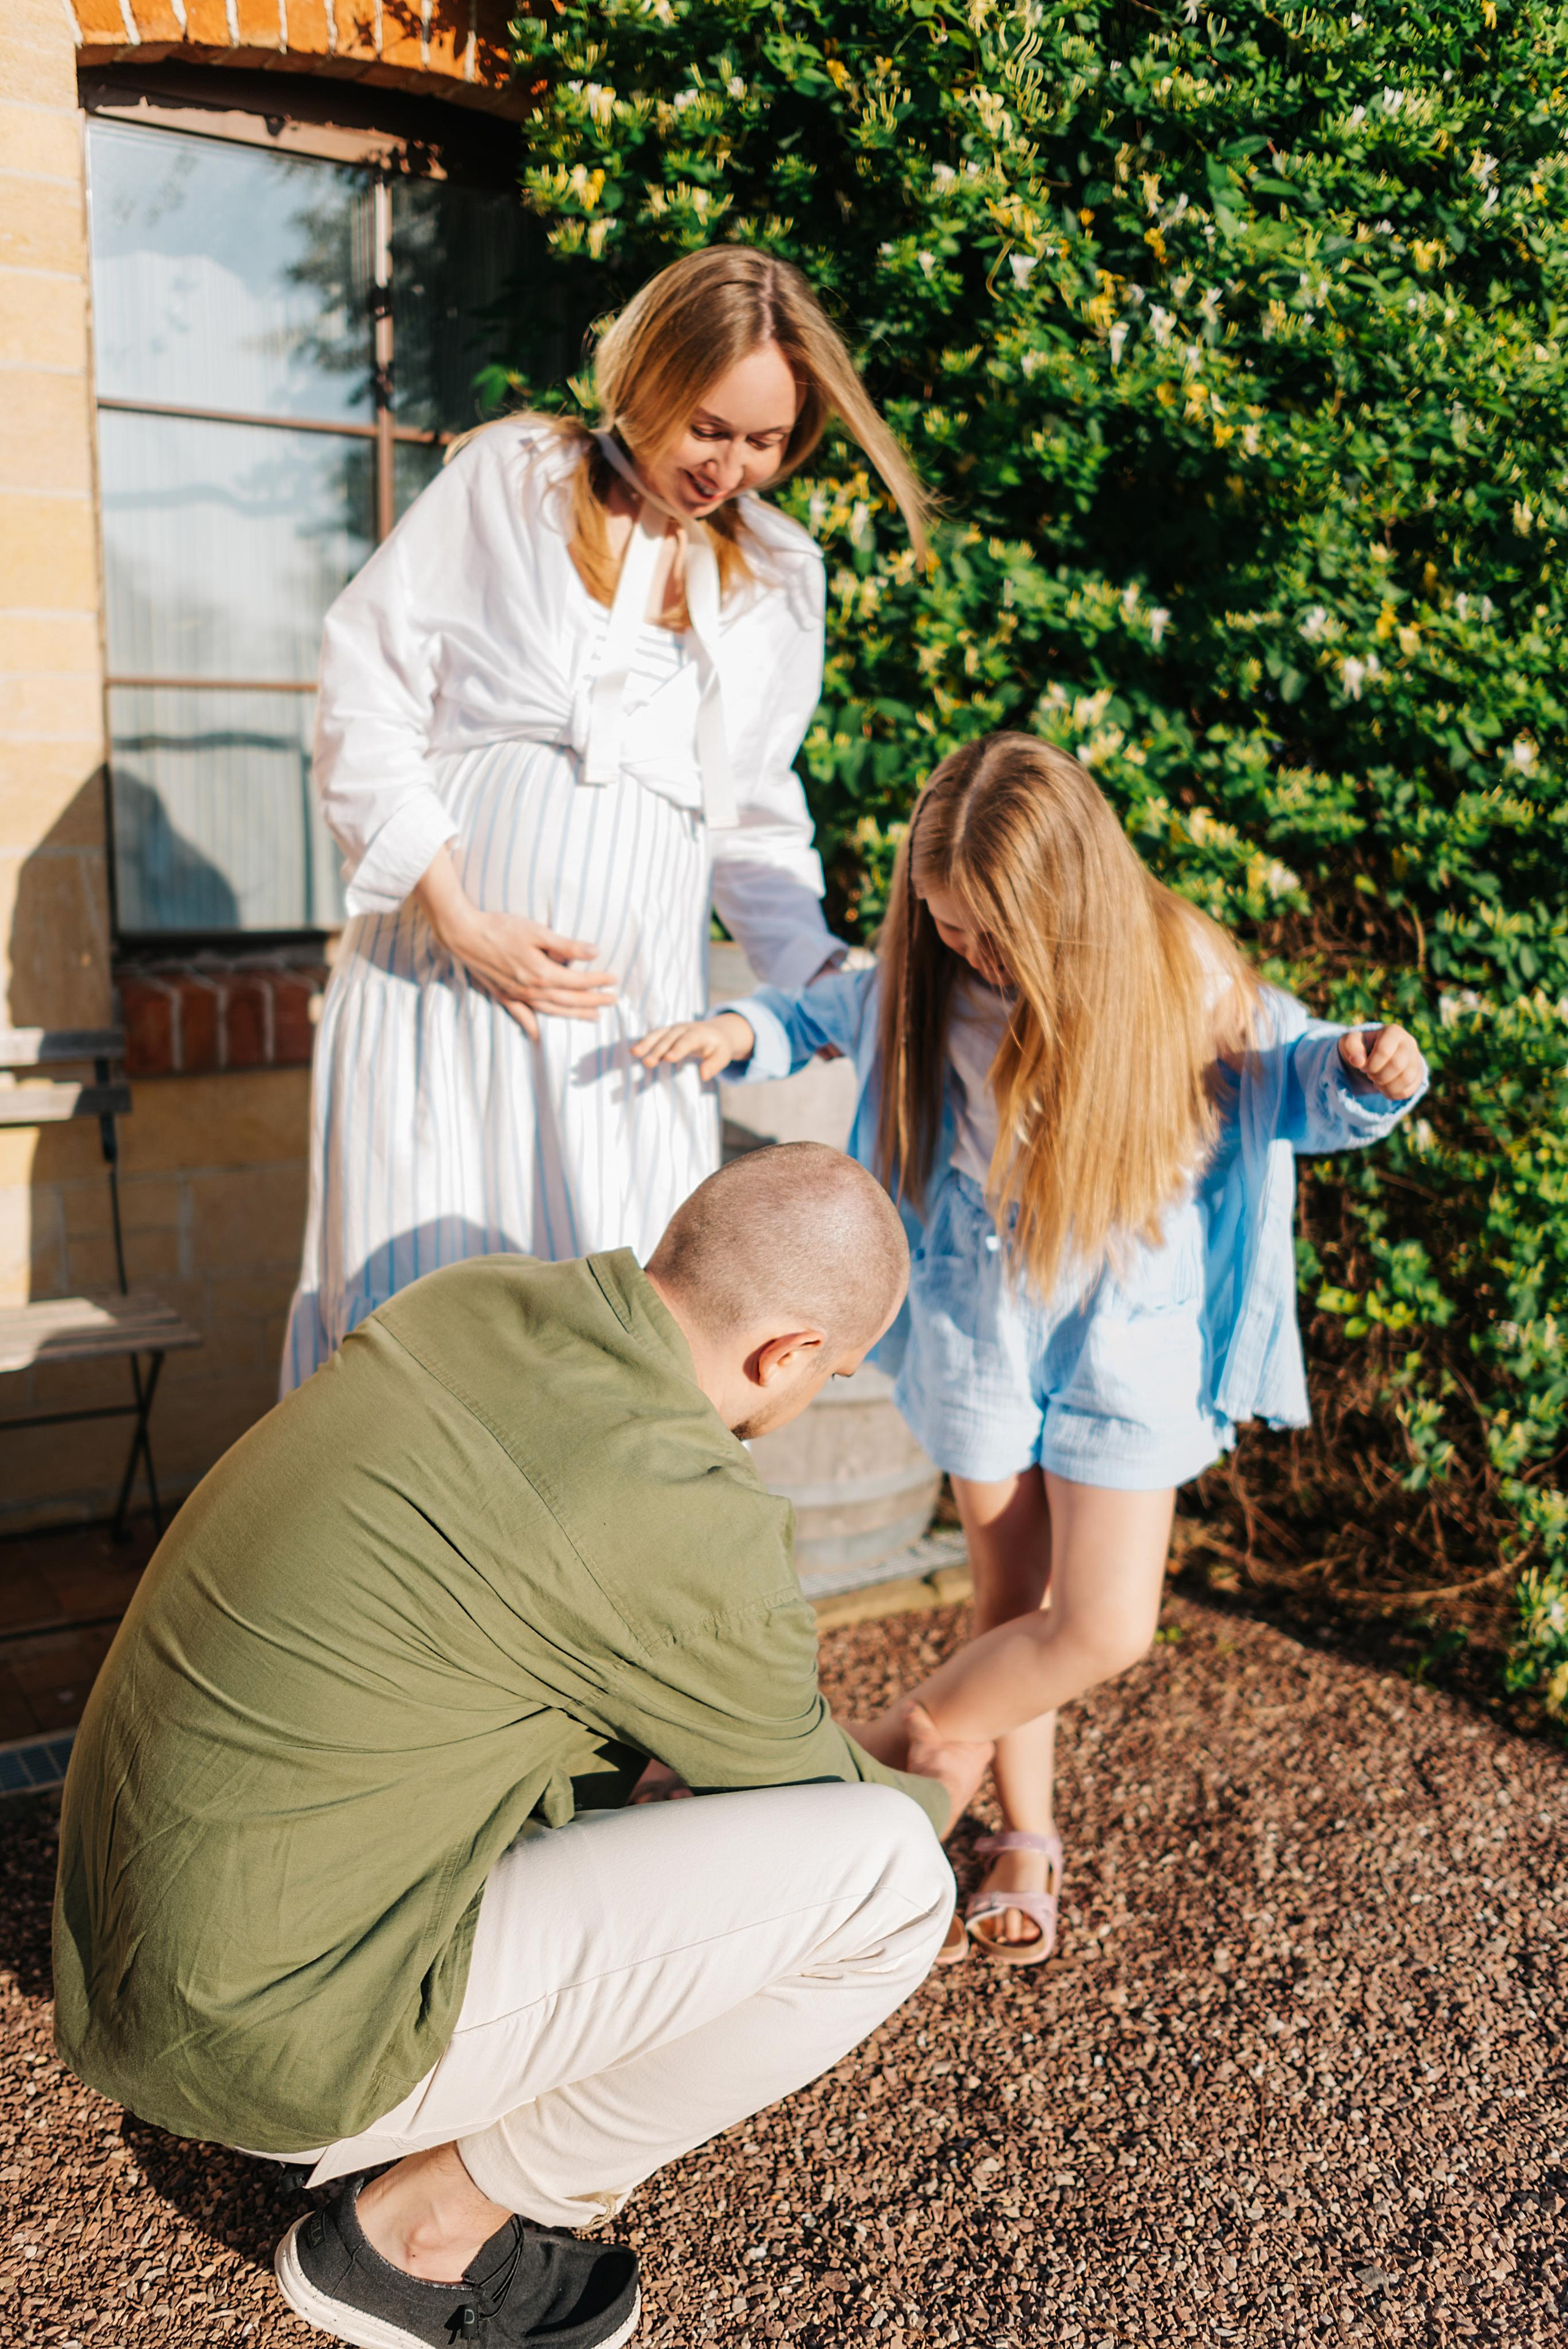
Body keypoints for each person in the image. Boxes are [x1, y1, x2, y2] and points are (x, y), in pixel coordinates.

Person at [54, 1144, 990, 2349]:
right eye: (833, 1372)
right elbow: (825, 1806)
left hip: (118, 1959)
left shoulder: (472, 1298)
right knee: (892, 1885)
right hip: (265, 2039)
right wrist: (932, 1782)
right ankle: (420, 2234)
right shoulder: (683, 1504)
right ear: (788, 1354)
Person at [634, 731, 1430, 1967]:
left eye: (991, 932)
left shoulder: (1181, 971)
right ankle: (1024, 1834)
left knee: (1100, 1623)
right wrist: (743, 1034)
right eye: (949, 925)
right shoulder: (932, 976)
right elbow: (822, 1007)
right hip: (983, 1318)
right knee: (1008, 1603)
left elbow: (1290, 1076)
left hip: (1127, 1333)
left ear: (1066, 900)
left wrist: (1364, 1071)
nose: (968, 954)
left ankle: (887, 1752)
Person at [281, 244, 930, 1390]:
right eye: (708, 427)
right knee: (421, 1326)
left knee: (615, 1337)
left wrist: (827, 981)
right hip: (444, 991)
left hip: (630, 1035)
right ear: (649, 380)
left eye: (766, 441)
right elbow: (365, 687)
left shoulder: (779, 574)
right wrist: (460, 915)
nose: (730, 465)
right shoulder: (515, 480)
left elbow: (758, 816)